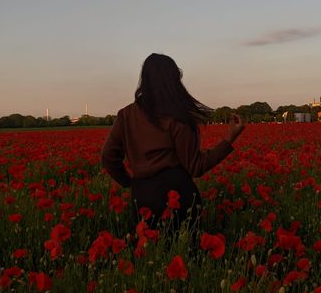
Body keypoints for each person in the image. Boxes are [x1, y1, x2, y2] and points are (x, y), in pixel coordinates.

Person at [101, 53, 246, 231]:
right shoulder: (178, 117)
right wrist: (229, 138)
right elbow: (196, 167)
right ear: (173, 81)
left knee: (152, 253)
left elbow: (108, 157)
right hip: (178, 197)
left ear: (144, 80)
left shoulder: (126, 115)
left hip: (143, 196)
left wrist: (129, 182)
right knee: (183, 253)